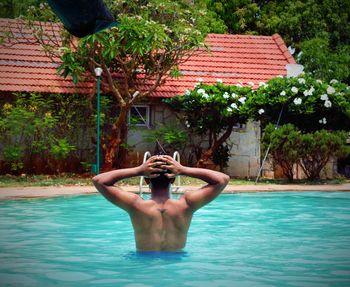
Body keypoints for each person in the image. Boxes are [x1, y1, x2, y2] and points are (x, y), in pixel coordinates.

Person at [92, 155, 229, 251]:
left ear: (146, 180)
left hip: (143, 266)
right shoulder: (186, 205)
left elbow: (99, 180)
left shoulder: (136, 205)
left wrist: (137, 170)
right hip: (176, 266)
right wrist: (183, 170)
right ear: (173, 180)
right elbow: (222, 179)